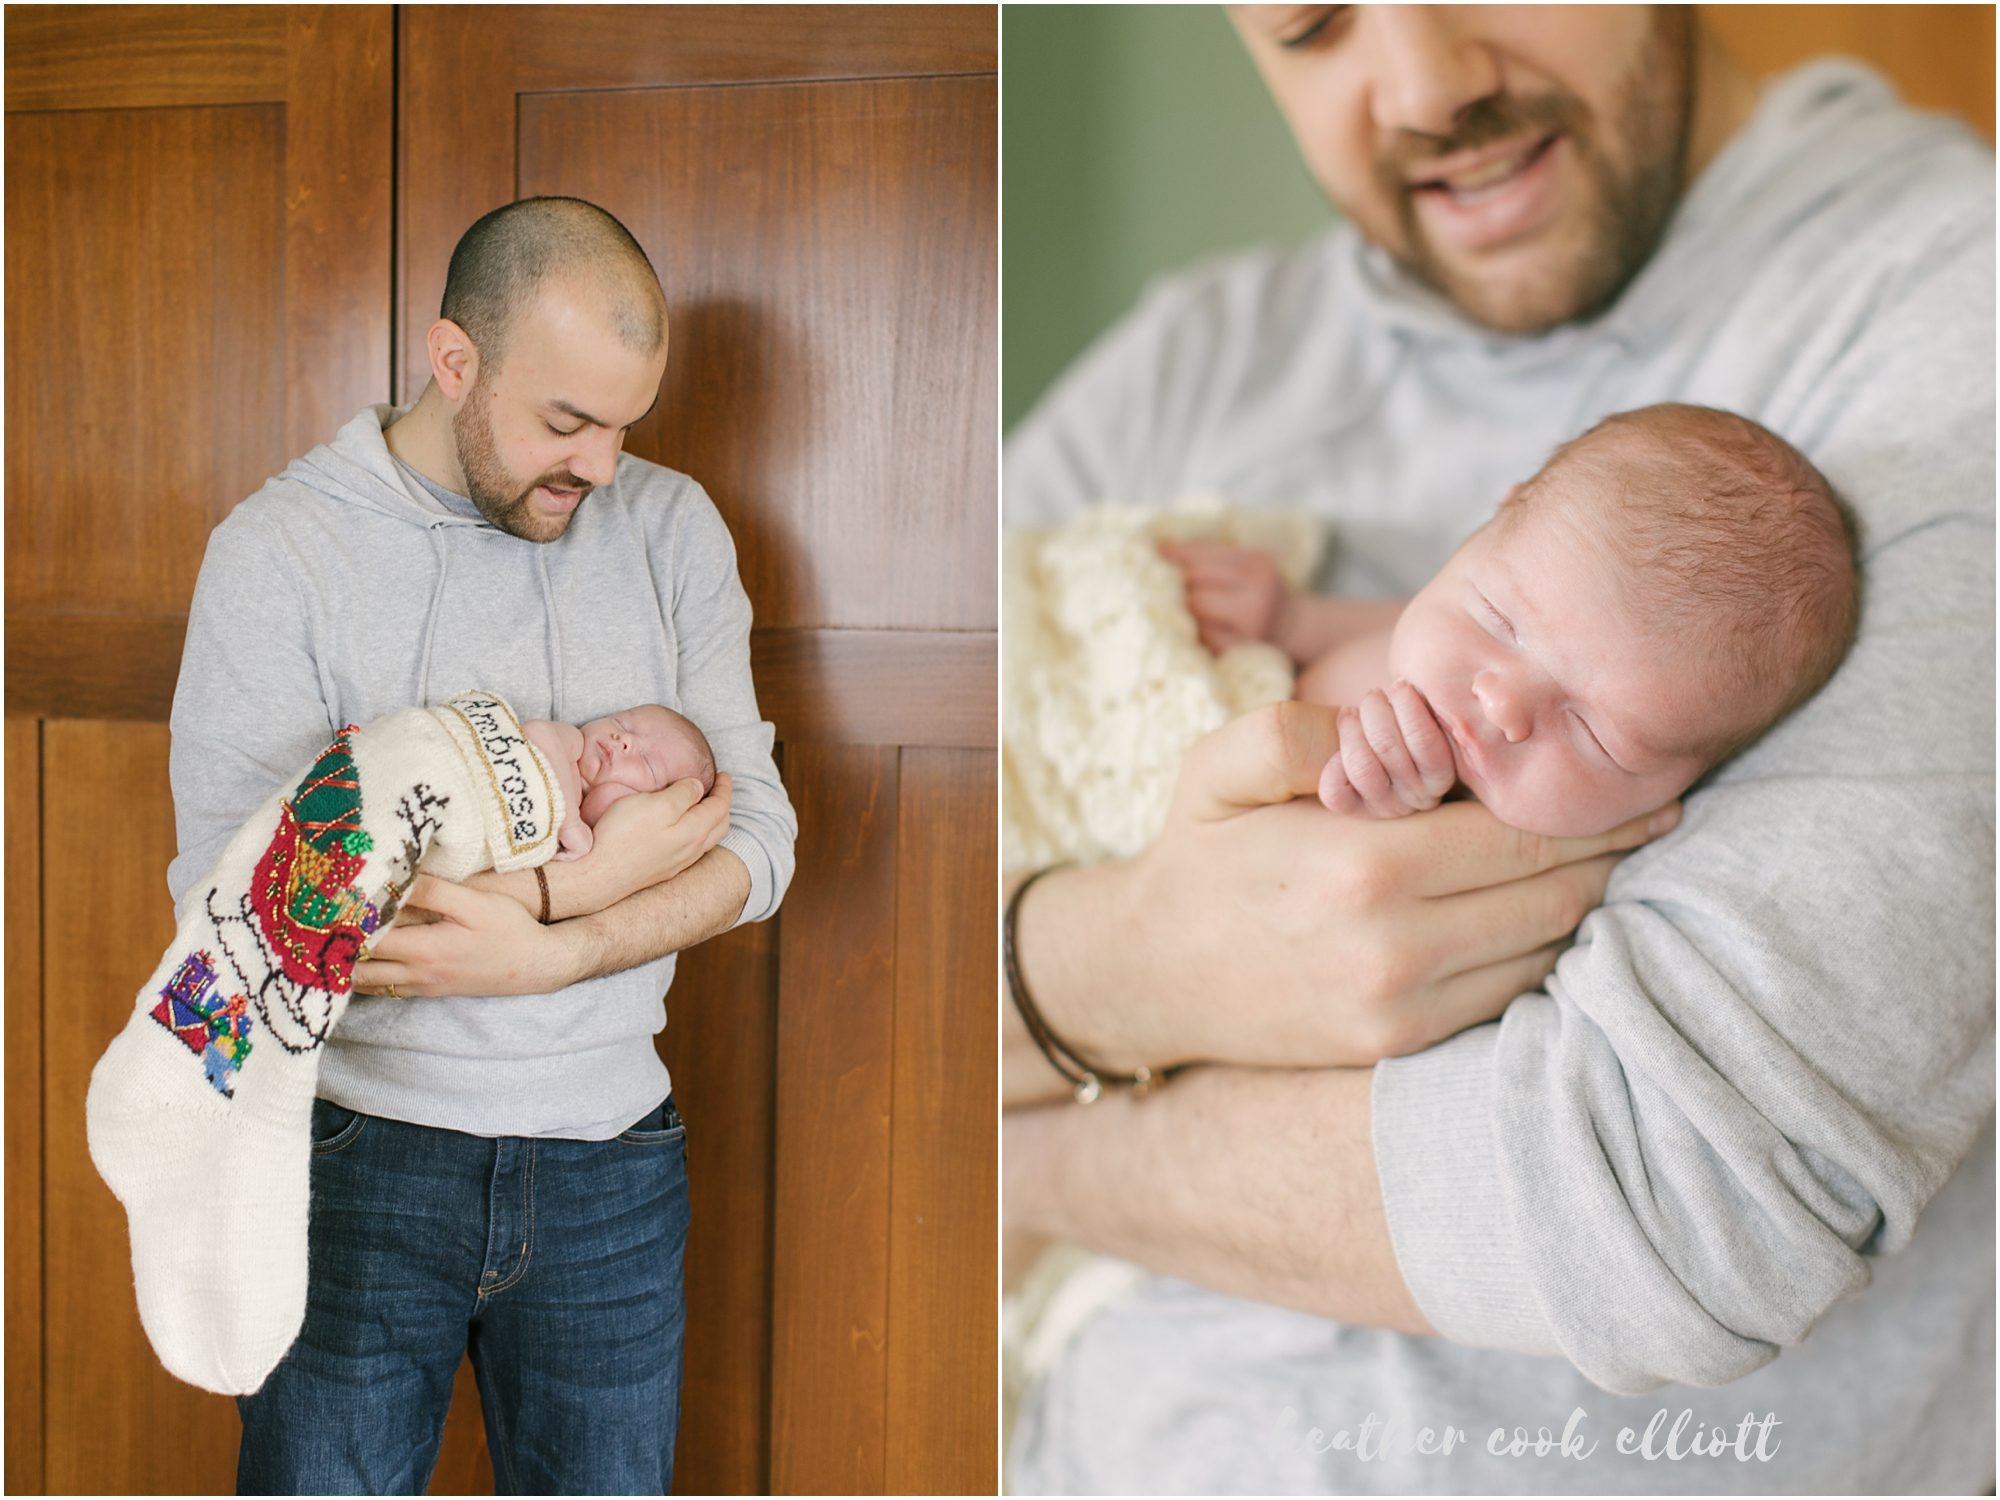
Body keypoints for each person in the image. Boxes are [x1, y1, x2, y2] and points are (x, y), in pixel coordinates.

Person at [1003, 7, 1992, 1493]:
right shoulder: (1186, 368)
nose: (1423, 83)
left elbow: (1661, 1202)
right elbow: (797, 930)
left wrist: (994, 1138)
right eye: (1312, 21)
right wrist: (1117, 962)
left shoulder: (1941, 332)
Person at [168, 195, 797, 1492]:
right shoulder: (281, 551)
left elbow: (763, 835)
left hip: (612, 1162)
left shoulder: (674, 531)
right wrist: (597, 877)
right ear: (456, 362)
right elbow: (240, 906)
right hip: (350, 1154)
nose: (605, 470)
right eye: (566, 423)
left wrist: (558, 947)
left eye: (626, 425)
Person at [1165, 403, 1858, 836]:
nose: (1504, 704)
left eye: (1594, 734)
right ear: (1490, 522)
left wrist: (1380, 818)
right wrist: (1291, 621)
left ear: (1683, 787)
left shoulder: (1506, 848)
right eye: (1498, 622)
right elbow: (1391, 625)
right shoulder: (1435, 624)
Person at [523, 702, 718, 860]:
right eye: (621, 723)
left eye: (648, 763)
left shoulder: (585, 837)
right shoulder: (572, 747)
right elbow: (536, 733)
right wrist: (570, 824)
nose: (626, 739)